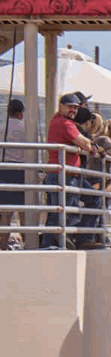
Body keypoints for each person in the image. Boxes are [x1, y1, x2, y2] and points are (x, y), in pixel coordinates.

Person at [41, 93, 96, 249]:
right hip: (64, 175)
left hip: (64, 174)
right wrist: (90, 146)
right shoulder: (65, 123)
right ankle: (58, 244)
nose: (73, 110)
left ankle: (57, 243)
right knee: (62, 213)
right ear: (61, 106)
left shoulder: (59, 121)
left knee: (59, 212)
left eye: (76, 108)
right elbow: (85, 144)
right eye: (70, 107)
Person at [1, 98, 26, 250]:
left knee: (5, 212)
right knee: (25, 210)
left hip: (4, 170)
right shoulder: (27, 128)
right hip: (24, 171)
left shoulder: (2, 127)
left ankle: (2, 244)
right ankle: (28, 243)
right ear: (21, 113)